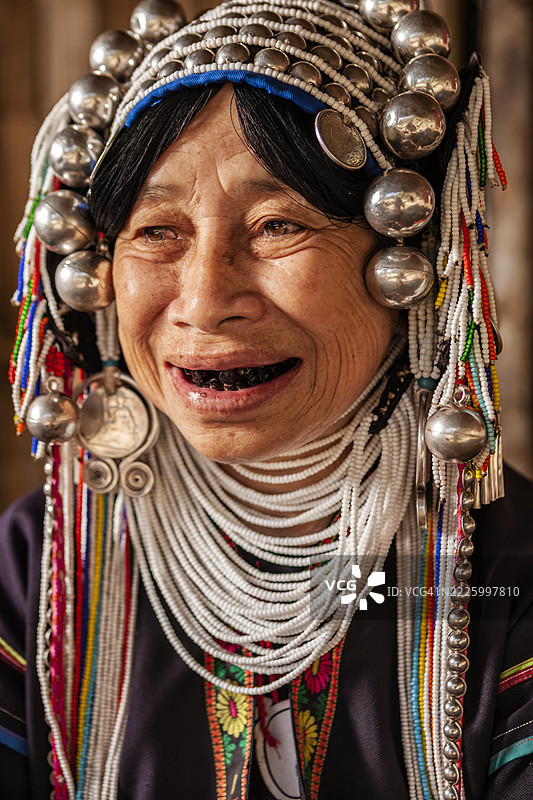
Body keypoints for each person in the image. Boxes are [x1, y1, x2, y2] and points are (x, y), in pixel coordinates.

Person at [1, 1, 532, 798]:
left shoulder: (501, 578)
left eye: (277, 225)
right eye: (156, 230)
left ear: (408, 257)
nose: (204, 301)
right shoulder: (39, 568)